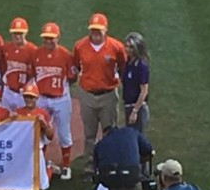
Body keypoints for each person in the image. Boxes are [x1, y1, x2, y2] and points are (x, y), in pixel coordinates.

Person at [73, 13, 127, 173]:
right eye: (93, 30)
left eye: (99, 30)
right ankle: (89, 166)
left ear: (106, 30)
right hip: (87, 94)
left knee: (110, 132)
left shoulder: (116, 47)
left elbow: (123, 66)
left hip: (108, 94)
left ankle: (109, 164)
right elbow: (76, 65)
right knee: (89, 134)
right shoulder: (80, 46)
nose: (96, 34)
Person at [33, 22, 77, 179]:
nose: (49, 41)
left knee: (64, 133)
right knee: (40, 132)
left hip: (60, 99)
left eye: (51, 38)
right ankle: (41, 163)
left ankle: (66, 166)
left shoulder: (66, 55)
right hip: (42, 98)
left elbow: (72, 77)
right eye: (46, 38)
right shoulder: (36, 54)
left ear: (58, 38)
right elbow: (33, 74)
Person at [0, 17, 37, 112]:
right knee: (5, 117)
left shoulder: (33, 50)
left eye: (20, 33)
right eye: (15, 33)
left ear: (26, 33)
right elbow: (2, 66)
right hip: (8, 91)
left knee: (23, 118)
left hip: (24, 93)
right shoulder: (6, 48)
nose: (17, 36)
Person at [122, 32, 149, 133]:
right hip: (128, 105)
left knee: (136, 137)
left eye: (131, 47)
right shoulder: (128, 63)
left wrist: (135, 111)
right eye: (126, 46)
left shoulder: (141, 66)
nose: (127, 49)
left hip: (138, 108)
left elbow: (144, 91)